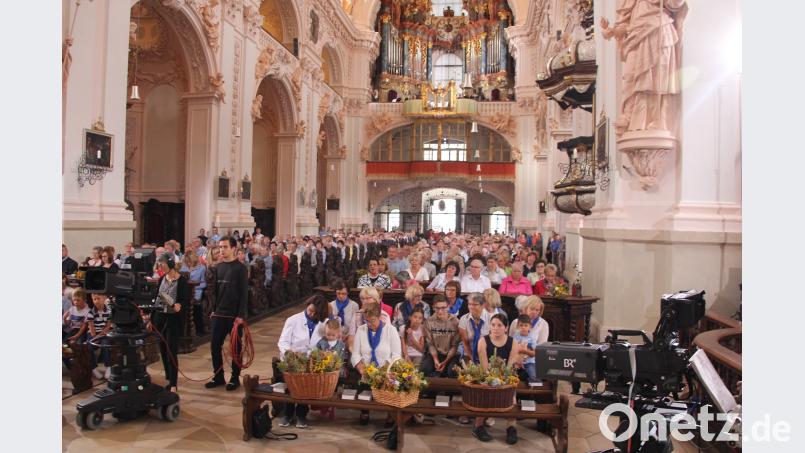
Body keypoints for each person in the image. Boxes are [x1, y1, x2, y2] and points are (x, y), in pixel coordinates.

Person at [277, 295, 330, 428]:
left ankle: (301, 414)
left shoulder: (324, 323)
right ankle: (288, 414)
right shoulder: (293, 320)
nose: (310, 313)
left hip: (310, 362)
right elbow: (283, 341)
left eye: (314, 312)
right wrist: (289, 352)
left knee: (305, 388)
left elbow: (326, 343)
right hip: (292, 360)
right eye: (309, 309)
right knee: (291, 388)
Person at [472, 314, 524, 444]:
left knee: (511, 395)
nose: (495, 328)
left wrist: (502, 380)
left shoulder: (513, 342)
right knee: (483, 392)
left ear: (506, 328)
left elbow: (511, 366)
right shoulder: (483, 341)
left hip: (506, 375)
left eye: (499, 325)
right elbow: (484, 366)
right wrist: (490, 379)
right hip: (487, 375)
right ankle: (478, 426)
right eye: (493, 325)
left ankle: (511, 427)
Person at [205, 236, 249, 391]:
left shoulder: (241, 268)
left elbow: (244, 294)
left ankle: (234, 378)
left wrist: (241, 316)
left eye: (225, 247)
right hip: (219, 314)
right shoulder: (219, 267)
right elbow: (216, 292)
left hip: (234, 316)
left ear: (233, 249)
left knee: (235, 348)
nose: (221, 250)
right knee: (214, 346)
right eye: (220, 247)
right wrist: (213, 310)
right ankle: (218, 377)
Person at [351, 303, 402, 425]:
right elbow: (355, 354)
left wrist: (386, 369)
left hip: (386, 369)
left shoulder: (391, 330)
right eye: (367, 321)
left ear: (380, 316)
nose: (369, 324)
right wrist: (361, 368)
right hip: (367, 369)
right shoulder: (361, 330)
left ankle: (390, 414)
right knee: (362, 380)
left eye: (372, 321)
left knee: (391, 381)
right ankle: (364, 412)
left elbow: (396, 355)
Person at [148, 253, 190, 392]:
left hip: (173, 320)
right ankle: (168, 377)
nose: (160, 267)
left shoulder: (182, 281)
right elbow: (156, 299)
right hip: (160, 318)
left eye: (162, 264)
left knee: (171, 351)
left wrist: (179, 305)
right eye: (159, 264)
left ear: (170, 264)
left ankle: (173, 384)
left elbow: (185, 300)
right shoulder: (161, 279)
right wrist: (150, 318)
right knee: (163, 351)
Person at [420, 295, 460, 377]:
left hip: (451, 355)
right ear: (433, 307)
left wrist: (445, 362)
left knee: (453, 371)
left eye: (443, 308)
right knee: (424, 369)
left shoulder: (455, 322)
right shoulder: (429, 322)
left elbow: (455, 346)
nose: (440, 311)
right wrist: (435, 359)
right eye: (437, 308)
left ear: (448, 307)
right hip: (435, 353)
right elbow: (430, 344)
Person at [458, 292, 491, 364]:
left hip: (488, 354)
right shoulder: (464, 319)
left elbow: (493, 342)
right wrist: (473, 360)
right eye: (469, 304)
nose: (471, 307)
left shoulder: (491, 318)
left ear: (483, 305)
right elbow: (465, 343)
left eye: (475, 305)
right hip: (469, 353)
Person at [181, 250, 207, 336]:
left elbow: (204, 283)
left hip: (196, 291)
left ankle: (199, 329)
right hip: (185, 290)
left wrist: (194, 286)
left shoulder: (202, 268)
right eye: (187, 261)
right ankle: (183, 330)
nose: (188, 263)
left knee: (195, 305)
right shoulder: (182, 268)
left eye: (190, 261)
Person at [87, 292, 112, 380]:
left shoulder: (109, 311)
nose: (96, 301)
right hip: (93, 333)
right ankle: (94, 368)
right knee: (89, 346)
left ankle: (108, 366)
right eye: (94, 299)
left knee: (105, 344)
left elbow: (108, 326)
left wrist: (100, 336)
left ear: (105, 298)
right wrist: (95, 338)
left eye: (98, 299)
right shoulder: (91, 312)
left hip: (103, 333)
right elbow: (91, 327)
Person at [512, 314, 537, 383]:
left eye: (526, 325)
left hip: (529, 362)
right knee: (511, 375)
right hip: (517, 361)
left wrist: (524, 350)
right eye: (521, 325)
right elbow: (514, 350)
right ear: (517, 326)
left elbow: (534, 353)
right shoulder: (516, 336)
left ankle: (532, 390)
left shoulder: (532, 337)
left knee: (533, 376)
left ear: (530, 327)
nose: (523, 327)